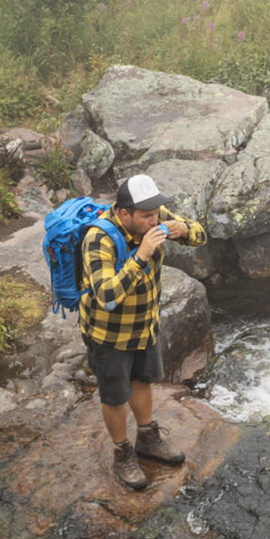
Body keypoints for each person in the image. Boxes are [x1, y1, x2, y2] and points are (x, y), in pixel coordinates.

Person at [80, 174, 207, 490]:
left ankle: (147, 439)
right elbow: (107, 296)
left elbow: (201, 235)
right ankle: (122, 453)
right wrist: (140, 256)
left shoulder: (155, 217)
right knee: (114, 395)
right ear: (125, 215)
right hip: (108, 335)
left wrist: (183, 230)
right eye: (146, 216)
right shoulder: (99, 239)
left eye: (157, 214)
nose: (156, 220)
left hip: (143, 326)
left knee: (142, 380)